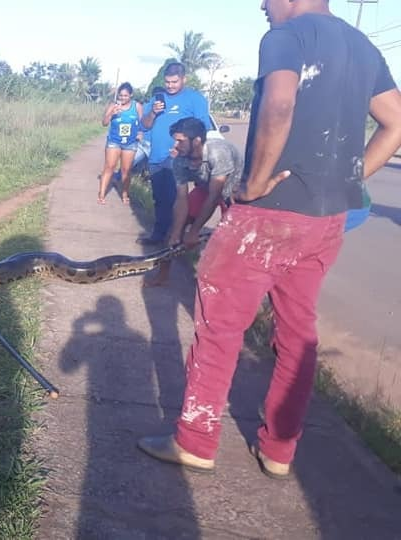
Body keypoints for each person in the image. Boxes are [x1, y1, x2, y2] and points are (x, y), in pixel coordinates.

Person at [138, 0, 401, 478]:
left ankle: (195, 440)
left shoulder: (287, 37)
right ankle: (280, 451)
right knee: (298, 334)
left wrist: (255, 183)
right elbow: (397, 121)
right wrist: (349, 179)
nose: (261, 4)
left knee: (220, 326)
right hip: (325, 220)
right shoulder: (362, 46)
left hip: (268, 215)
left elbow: (280, 103)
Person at [144, 117, 243, 287]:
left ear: (197, 141)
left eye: (180, 141)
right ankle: (163, 275)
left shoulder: (217, 153)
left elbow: (215, 195)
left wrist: (194, 231)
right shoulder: (179, 161)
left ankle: (226, 284)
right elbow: (181, 198)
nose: (175, 146)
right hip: (206, 187)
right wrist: (177, 233)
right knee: (172, 232)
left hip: (233, 191)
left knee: (232, 241)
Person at [139, 64, 211, 245]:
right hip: (156, 156)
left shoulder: (195, 99)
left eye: (174, 82)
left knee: (175, 197)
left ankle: (174, 236)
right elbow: (145, 125)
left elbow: (202, 130)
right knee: (159, 197)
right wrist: (153, 113)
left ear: (184, 79)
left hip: (178, 158)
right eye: (167, 82)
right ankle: (159, 234)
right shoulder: (157, 98)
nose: (170, 85)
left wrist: (190, 154)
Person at [97, 82, 143, 204]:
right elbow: (104, 123)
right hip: (114, 141)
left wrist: (140, 133)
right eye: (120, 96)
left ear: (131, 95)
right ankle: (101, 194)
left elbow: (142, 123)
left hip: (130, 143)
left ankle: (125, 193)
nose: (122, 98)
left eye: (125, 96)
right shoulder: (113, 106)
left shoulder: (137, 106)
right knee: (109, 167)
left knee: (126, 170)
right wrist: (112, 114)